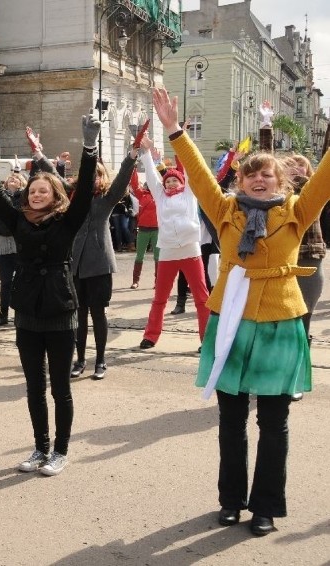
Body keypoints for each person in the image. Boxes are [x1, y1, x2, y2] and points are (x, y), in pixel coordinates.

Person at [152, 86, 330, 537]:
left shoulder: (298, 210)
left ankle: (266, 506)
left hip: (279, 325)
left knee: (274, 423)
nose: (257, 179)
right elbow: (195, 173)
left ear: (281, 182)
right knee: (231, 421)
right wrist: (174, 129)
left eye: (266, 174)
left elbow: (326, 177)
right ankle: (231, 500)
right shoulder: (225, 209)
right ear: (239, 181)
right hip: (230, 323)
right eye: (250, 174)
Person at [0, 114, 100, 476]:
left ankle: (60, 450)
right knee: (34, 386)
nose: (36, 193)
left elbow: (87, 188)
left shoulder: (68, 220)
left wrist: (89, 148)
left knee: (60, 387)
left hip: (60, 309)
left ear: (55, 194)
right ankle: (39, 447)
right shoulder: (17, 219)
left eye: (43, 190)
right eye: (32, 190)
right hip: (28, 309)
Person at [65, 129, 137, 380]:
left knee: (97, 313)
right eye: (89, 175)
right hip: (75, 264)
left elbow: (121, 182)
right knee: (79, 314)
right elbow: (52, 178)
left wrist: (131, 156)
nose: (93, 179)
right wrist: (40, 154)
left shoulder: (106, 199)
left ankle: (101, 360)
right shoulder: (72, 197)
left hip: (99, 264)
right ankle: (80, 359)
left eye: (97, 175)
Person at [137, 136, 209, 350]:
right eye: (167, 181)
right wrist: (146, 151)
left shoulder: (189, 193)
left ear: (182, 182)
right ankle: (150, 336)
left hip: (190, 249)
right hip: (167, 250)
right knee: (160, 297)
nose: (170, 183)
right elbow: (150, 175)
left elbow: (188, 167)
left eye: (174, 180)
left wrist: (181, 141)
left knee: (201, 298)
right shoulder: (160, 196)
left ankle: (207, 340)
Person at [286, 154, 324, 403]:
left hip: (309, 257)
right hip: (283, 260)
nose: (297, 169)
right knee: (281, 322)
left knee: (303, 322)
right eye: (290, 165)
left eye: (301, 165)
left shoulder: (314, 193)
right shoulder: (279, 193)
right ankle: (276, 376)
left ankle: (297, 378)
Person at [0, 169, 25, 327]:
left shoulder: (23, 197)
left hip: (19, 243)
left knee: (21, 281)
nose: (12, 180)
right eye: (10, 178)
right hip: (2, 243)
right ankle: (3, 314)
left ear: (21, 183)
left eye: (16, 179)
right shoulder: (0, 198)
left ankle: (21, 314)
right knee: (5, 281)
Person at [130, 172, 159, 289]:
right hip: (143, 230)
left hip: (157, 230)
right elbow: (135, 184)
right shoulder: (141, 194)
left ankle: (158, 281)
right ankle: (135, 281)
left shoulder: (160, 195)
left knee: (158, 257)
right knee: (139, 256)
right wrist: (133, 169)